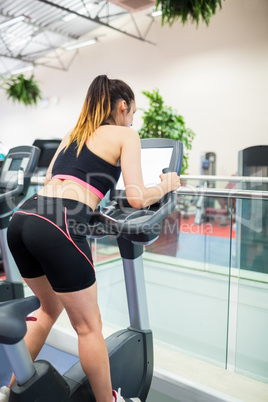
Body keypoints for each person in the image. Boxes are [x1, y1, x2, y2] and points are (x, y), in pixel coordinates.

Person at [2, 75, 181, 402]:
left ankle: (9, 391)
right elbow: (139, 197)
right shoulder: (125, 134)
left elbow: (53, 181)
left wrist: (91, 207)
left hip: (24, 218)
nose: (132, 119)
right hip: (59, 225)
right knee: (88, 327)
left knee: (47, 309)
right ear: (123, 106)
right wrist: (169, 182)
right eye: (133, 112)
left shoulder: (74, 134)